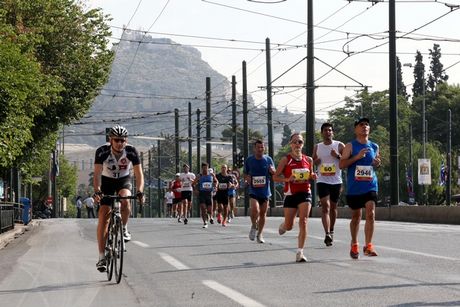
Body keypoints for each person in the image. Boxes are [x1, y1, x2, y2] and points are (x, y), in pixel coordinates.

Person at [93, 124, 145, 272]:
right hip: (107, 181)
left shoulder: (131, 151)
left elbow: (139, 174)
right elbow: (96, 174)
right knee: (103, 215)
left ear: (126, 141)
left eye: (122, 140)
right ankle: (101, 256)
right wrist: (97, 190)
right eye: (116, 140)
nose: (120, 143)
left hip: (124, 180)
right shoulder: (102, 151)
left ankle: (124, 227)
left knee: (126, 198)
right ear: (111, 140)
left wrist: (140, 191)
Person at [339, 118, 381, 259]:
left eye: (367, 125)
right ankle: (354, 243)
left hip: (370, 185)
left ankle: (368, 245)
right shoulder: (350, 146)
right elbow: (342, 164)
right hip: (354, 187)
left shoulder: (374, 146)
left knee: (371, 213)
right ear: (355, 129)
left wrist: (377, 163)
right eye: (361, 125)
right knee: (356, 216)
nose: (364, 127)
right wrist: (357, 157)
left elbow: (376, 163)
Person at [274, 133, 317, 262]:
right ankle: (284, 225)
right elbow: (275, 177)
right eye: (295, 142)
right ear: (290, 144)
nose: (297, 144)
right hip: (290, 194)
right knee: (289, 225)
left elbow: (310, 174)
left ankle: (300, 252)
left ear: (302, 144)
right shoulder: (285, 159)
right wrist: (288, 179)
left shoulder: (308, 160)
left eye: (300, 142)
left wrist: (312, 176)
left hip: (305, 193)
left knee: (303, 221)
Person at [312, 123, 345, 246]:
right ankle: (326, 234)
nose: (328, 132)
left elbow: (347, 160)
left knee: (333, 207)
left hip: (336, 180)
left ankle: (331, 230)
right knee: (325, 206)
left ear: (333, 132)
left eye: (330, 130)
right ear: (322, 133)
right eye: (325, 130)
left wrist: (337, 155)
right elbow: (312, 162)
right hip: (322, 180)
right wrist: (316, 161)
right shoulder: (317, 147)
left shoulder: (339, 145)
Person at [244, 139, 276, 244]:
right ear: (254, 148)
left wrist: (272, 172)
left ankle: (260, 234)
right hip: (254, 190)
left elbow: (274, 173)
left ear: (264, 148)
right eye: (258, 147)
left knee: (263, 214)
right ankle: (254, 225)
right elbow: (245, 173)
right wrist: (247, 178)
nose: (260, 149)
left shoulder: (268, 159)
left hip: (265, 191)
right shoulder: (249, 160)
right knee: (255, 210)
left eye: (262, 147)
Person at [193, 162, 218, 228]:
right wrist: (195, 190)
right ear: (202, 168)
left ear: (208, 168)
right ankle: (205, 222)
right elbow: (193, 184)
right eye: (203, 168)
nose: (205, 169)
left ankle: (210, 216)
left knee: (209, 210)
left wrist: (215, 186)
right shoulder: (199, 176)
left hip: (209, 194)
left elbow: (216, 181)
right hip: (202, 193)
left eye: (206, 168)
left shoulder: (211, 175)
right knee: (203, 208)